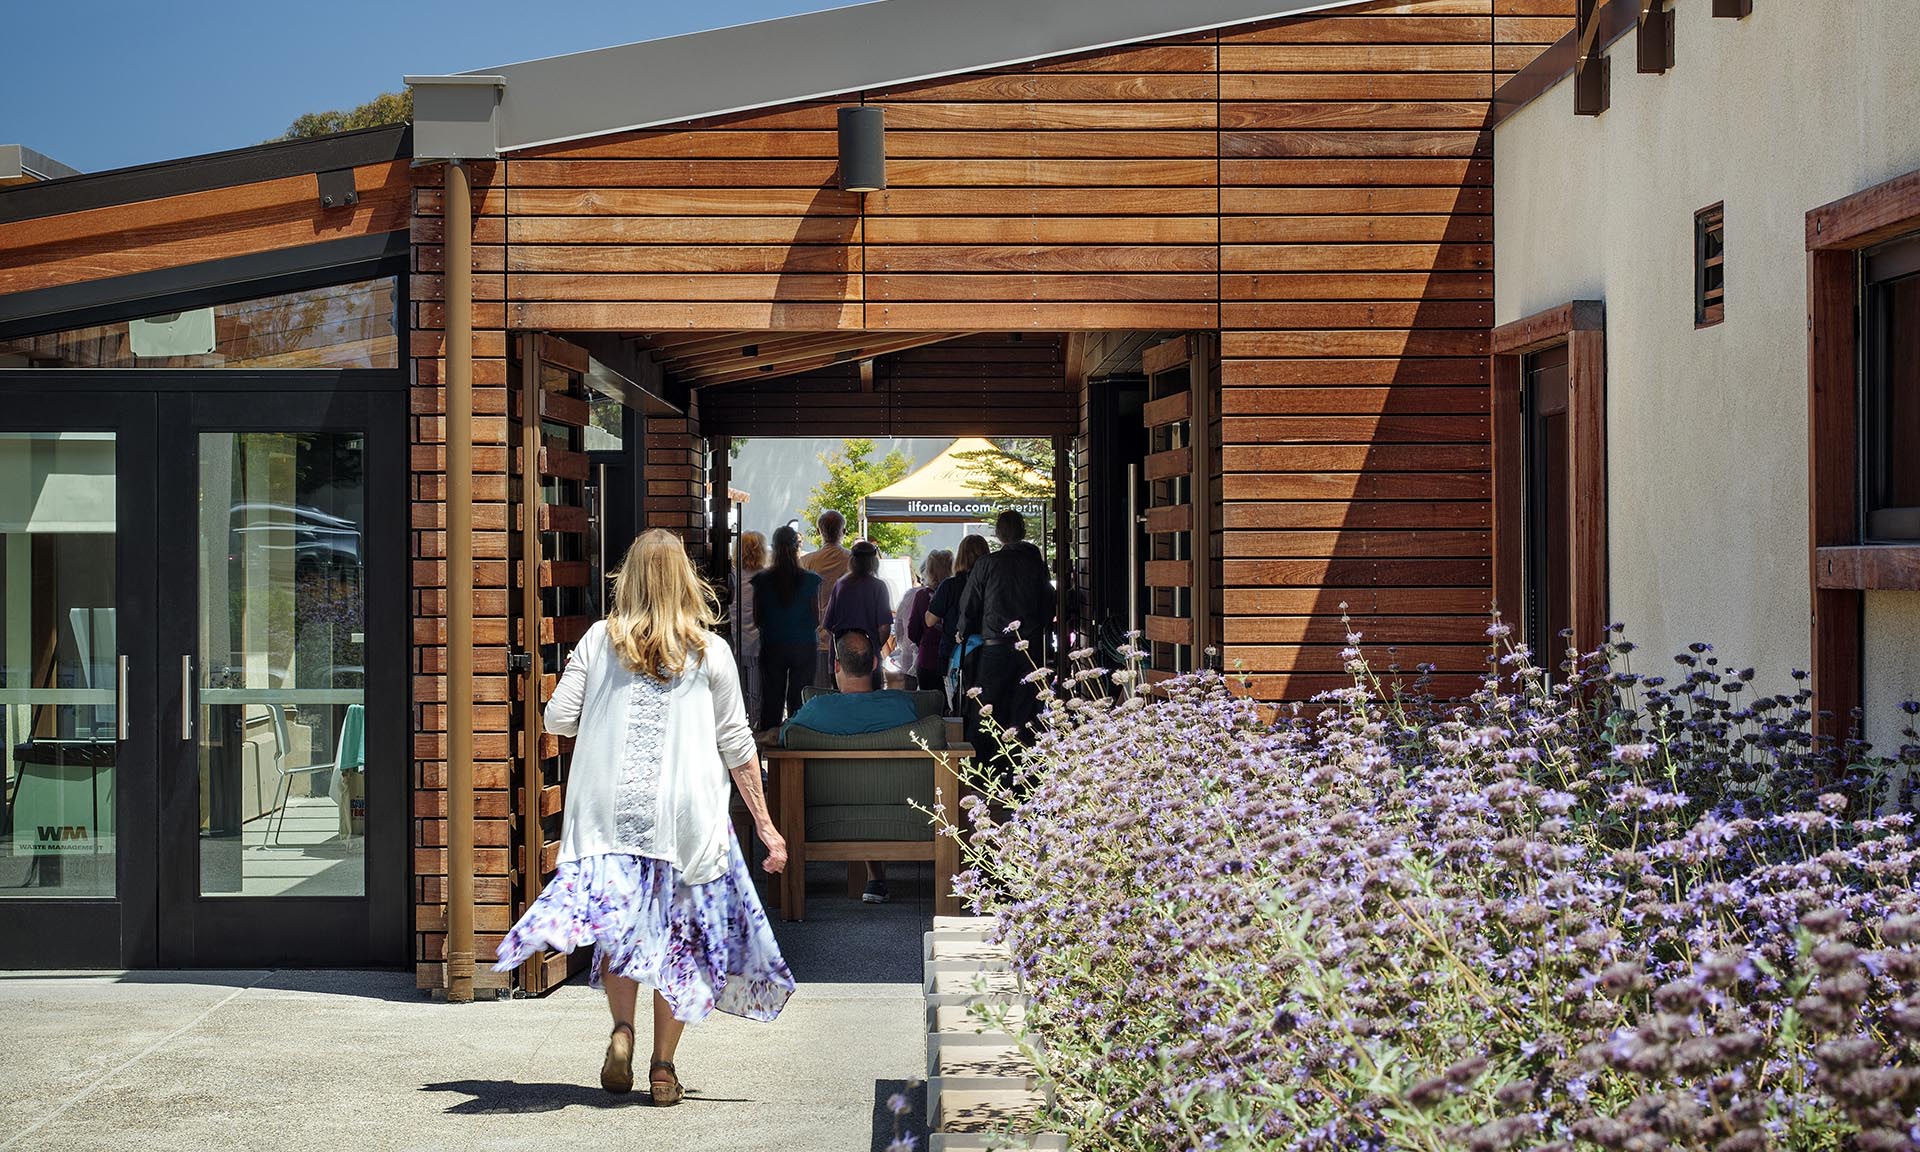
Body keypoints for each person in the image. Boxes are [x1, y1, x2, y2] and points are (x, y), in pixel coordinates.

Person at [494, 529, 793, 1104]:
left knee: (622, 929)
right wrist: (765, 825)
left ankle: (623, 1031)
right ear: (687, 580)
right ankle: (662, 1069)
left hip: (610, 814)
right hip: (687, 816)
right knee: (678, 940)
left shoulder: (597, 642)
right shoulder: (710, 651)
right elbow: (737, 743)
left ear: (626, 578)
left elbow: (558, 718)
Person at [781, 630, 917, 903]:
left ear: (836, 665)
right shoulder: (904, 708)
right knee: (874, 785)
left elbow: (785, 736)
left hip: (826, 814)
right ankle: (875, 876)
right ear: (876, 664)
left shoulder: (816, 712)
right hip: (900, 810)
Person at [956, 511, 1055, 760]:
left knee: (987, 709)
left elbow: (969, 605)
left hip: (994, 646)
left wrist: (963, 631)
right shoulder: (1036, 565)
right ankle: (1024, 767)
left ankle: (982, 768)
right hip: (1030, 647)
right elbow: (1048, 604)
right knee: (1026, 710)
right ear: (1022, 532)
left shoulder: (987, 564)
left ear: (999, 535)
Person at [749, 526, 821, 732]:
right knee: (800, 698)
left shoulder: (762, 580)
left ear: (774, 548)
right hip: (804, 644)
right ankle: (797, 740)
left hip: (772, 643)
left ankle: (771, 745)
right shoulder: (811, 579)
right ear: (797, 548)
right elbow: (817, 618)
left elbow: (757, 617)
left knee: (771, 698)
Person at [926, 534, 990, 712]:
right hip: (987, 651)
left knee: (956, 704)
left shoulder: (950, 585)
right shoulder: (991, 584)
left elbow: (930, 620)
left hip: (954, 653)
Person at [822, 540, 892, 689]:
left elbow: (828, 625)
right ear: (874, 562)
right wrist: (873, 646)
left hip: (841, 657)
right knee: (870, 705)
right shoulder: (878, 587)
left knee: (840, 704)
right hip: (869, 659)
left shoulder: (840, 585)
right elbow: (885, 627)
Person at [798, 510, 851, 689]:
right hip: (847, 639)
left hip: (814, 640)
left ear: (819, 532)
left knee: (819, 695)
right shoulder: (852, 561)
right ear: (843, 532)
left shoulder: (806, 562)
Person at [904, 550, 953, 692]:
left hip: (928, 659)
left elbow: (912, 631)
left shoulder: (922, 595)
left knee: (929, 706)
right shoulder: (957, 592)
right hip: (953, 659)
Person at [733, 530, 767, 726]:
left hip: (736, 642)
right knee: (756, 696)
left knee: (737, 693)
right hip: (758, 645)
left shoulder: (732, 576)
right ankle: (755, 735)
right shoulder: (766, 578)